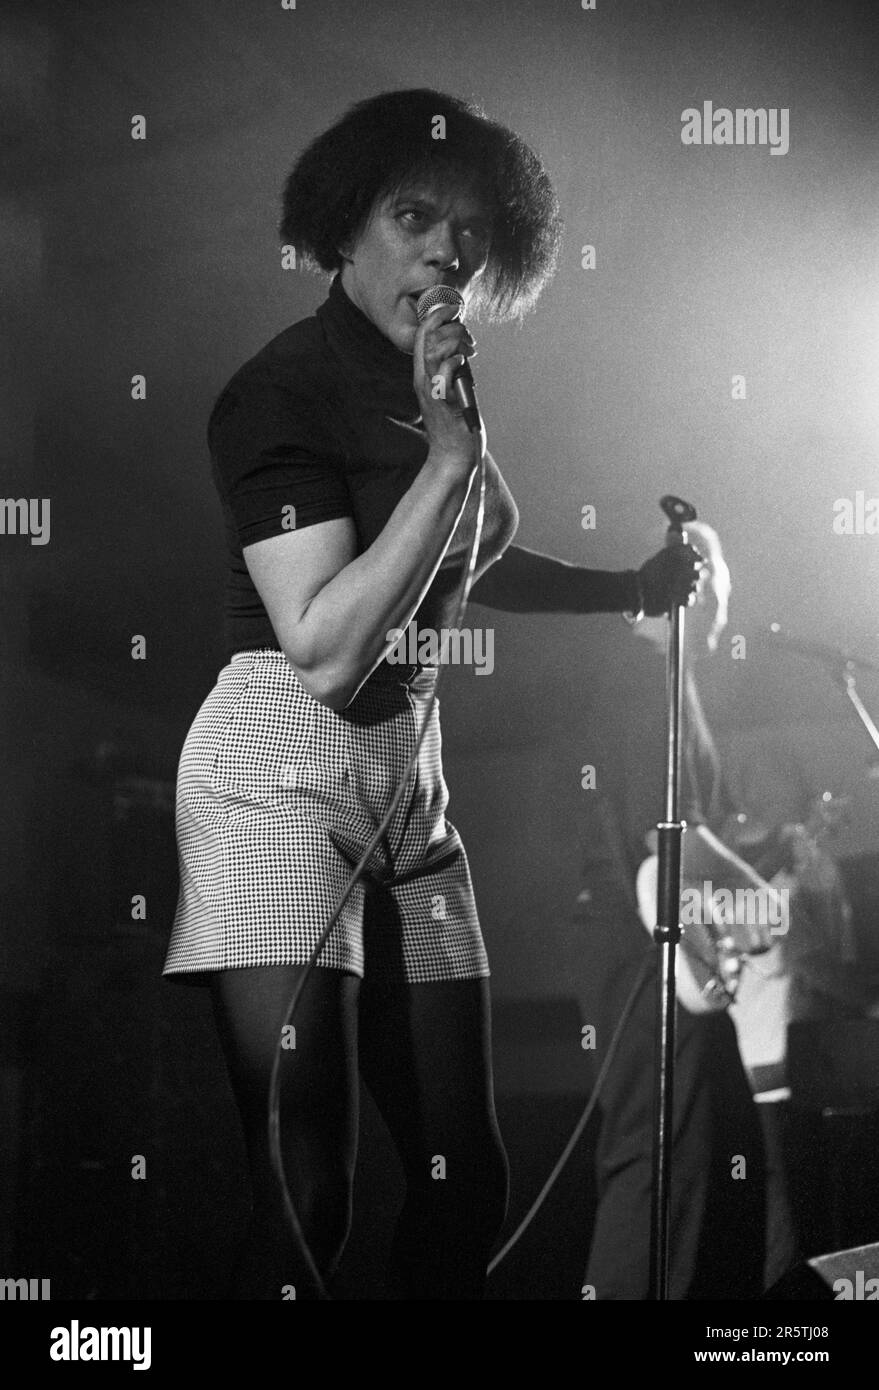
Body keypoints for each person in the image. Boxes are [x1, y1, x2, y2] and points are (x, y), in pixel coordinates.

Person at [162, 88, 702, 1300]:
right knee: (313, 1187)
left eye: (469, 231)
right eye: (416, 216)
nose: (448, 252)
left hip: (411, 791)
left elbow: (473, 551)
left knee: (466, 1182)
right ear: (344, 225)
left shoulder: (434, 384)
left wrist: (634, 583)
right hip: (279, 771)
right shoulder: (279, 391)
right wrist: (451, 455)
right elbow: (325, 648)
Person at [580, 521, 799, 1299]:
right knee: (657, 1162)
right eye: (719, 586)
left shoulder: (670, 684)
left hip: (668, 956)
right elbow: (664, 841)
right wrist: (767, 907)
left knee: (689, 1166)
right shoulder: (649, 681)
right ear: (691, 583)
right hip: (643, 961)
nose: (724, 610)